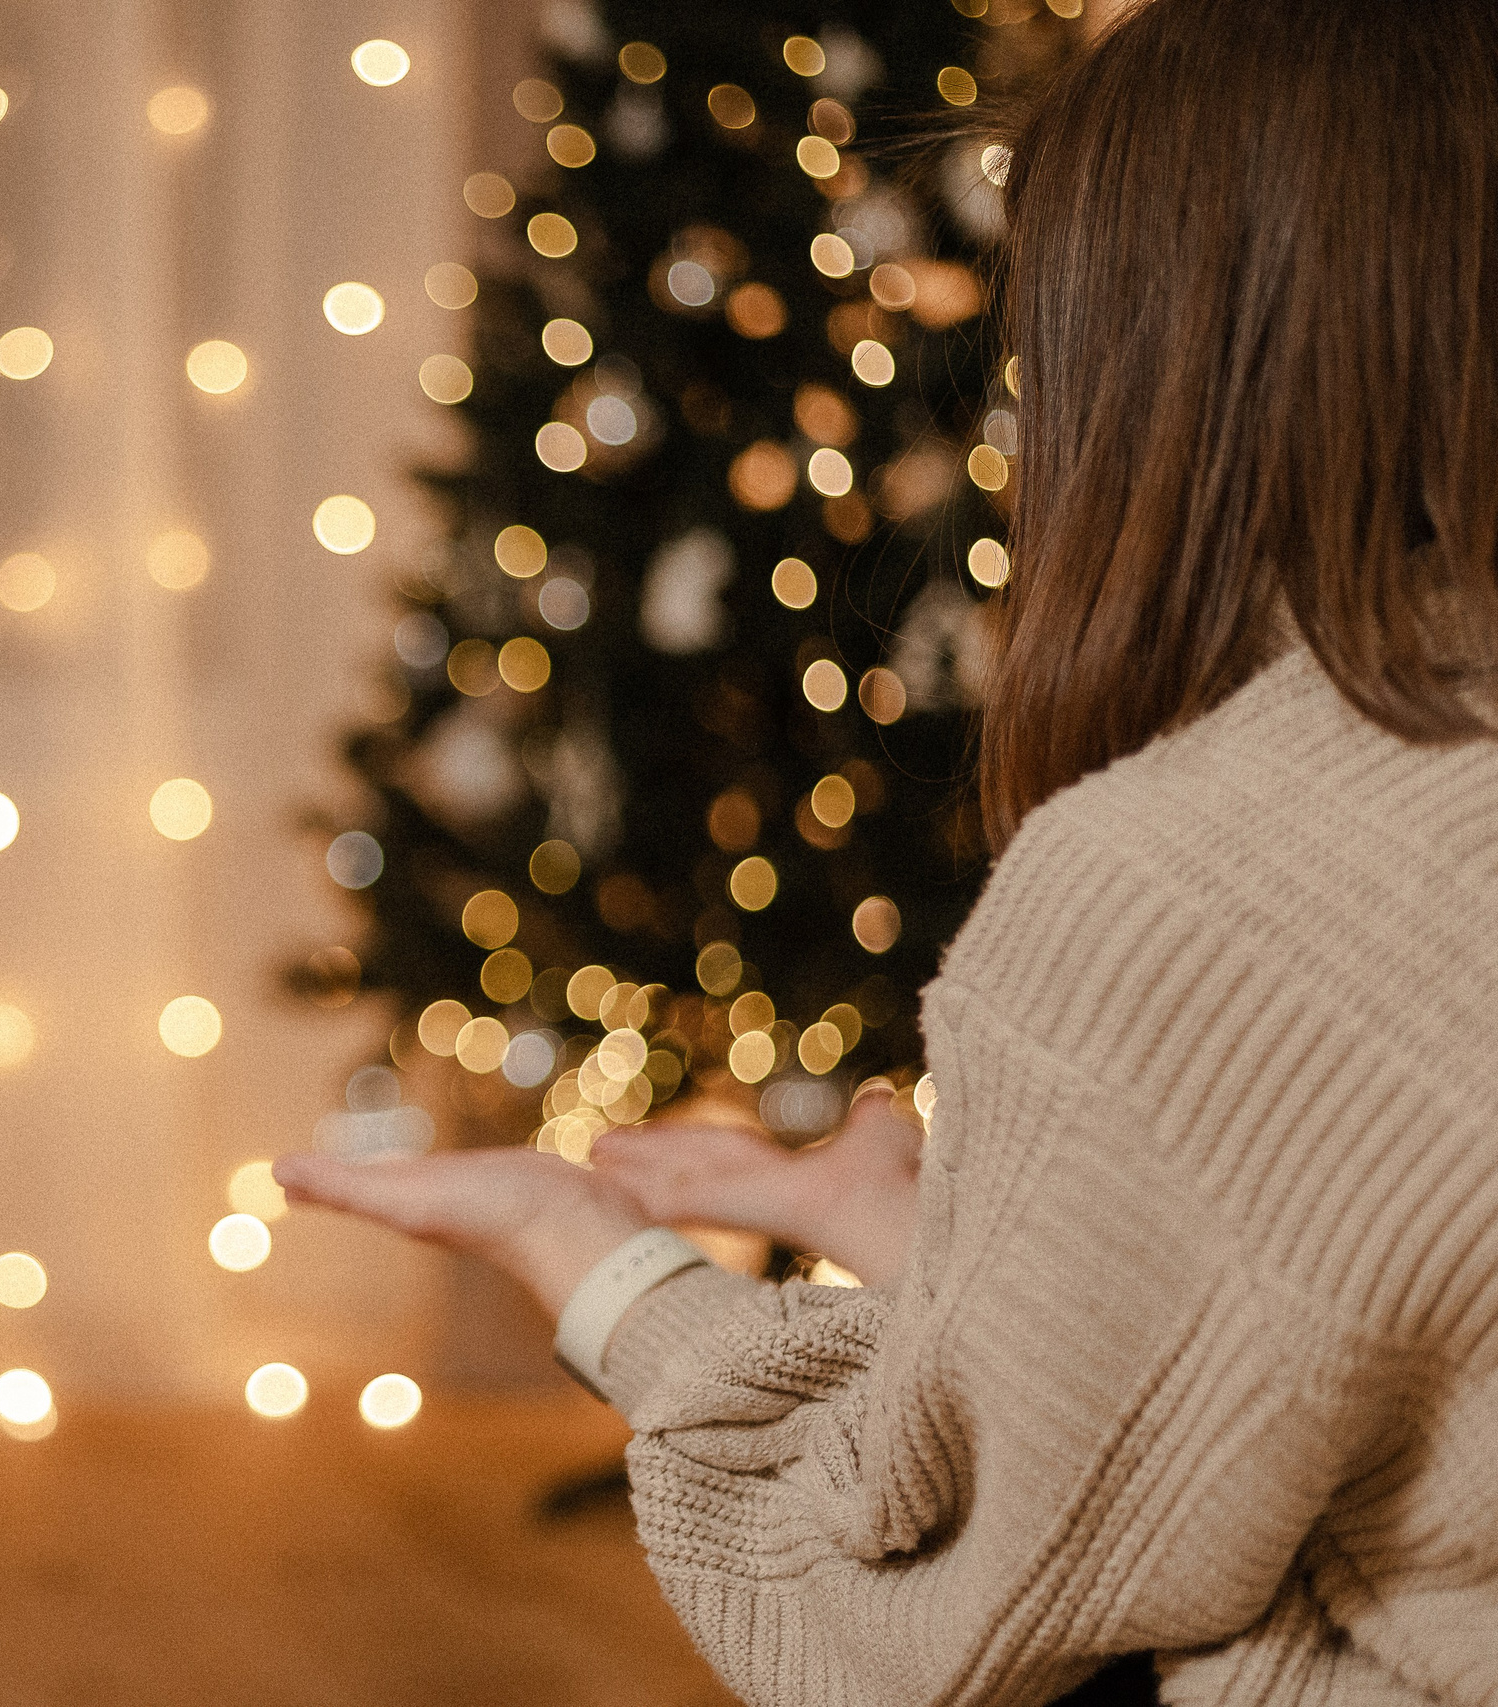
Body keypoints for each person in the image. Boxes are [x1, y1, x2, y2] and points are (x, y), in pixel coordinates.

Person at [279, 2, 1498, 1701]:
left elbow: (897, 1610)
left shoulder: (1188, 887)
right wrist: (953, 1266)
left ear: (1144, 359)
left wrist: (584, 1252)